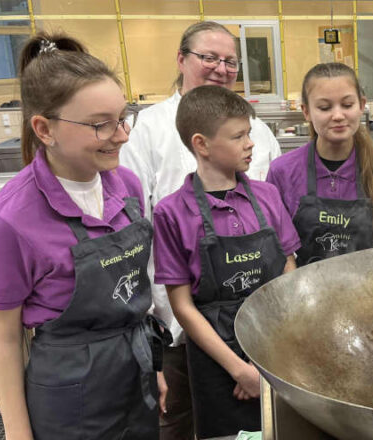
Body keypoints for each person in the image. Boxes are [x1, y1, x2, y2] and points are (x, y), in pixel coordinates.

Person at [0, 32, 168, 439]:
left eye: (123, 117)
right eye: (100, 125)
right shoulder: (11, 221)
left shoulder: (126, 186)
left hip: (134, 381)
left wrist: (150, 365)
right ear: (44, 129)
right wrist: (18, 434)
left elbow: (134, 299)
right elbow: (1, 339)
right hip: (70, 400)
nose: (122, 135)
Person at [120, 21, 282, 438]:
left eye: (230, 61)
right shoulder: (149, 130)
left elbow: (278, 239)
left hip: (262, 331)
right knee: (179, 418)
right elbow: (135, 220)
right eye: (209, 57)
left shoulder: (259, 132)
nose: (220, 68)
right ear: (181, 59)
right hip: (180, 319)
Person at [152, 85, 300, 438]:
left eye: (249, 133)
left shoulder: (267, 196)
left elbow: (288, 270)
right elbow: (183, 307)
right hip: (216, 365)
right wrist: (240, 370)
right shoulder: (171, 213)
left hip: (274, 352)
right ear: (201, 144)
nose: (251, 144)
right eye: (238, 136)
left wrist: (264, 361)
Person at [266, 63, 373, 266]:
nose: (338, 115)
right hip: (304, 293)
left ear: (361, 105)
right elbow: (277, 249)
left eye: (347, 105)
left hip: (371, 291)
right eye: (324, 107)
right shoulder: (282, 172)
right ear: (306, 111)